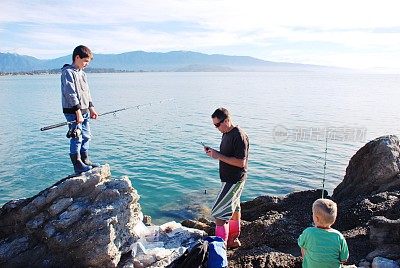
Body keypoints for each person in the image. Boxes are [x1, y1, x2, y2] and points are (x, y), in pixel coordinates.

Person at [204, 107, 249, 249]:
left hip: (234, 180)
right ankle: (233, 240)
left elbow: (241, 162)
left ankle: (220, 247)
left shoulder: (239, 136)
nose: (217, 128)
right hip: (229, 179)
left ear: (227, 120)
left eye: (218, 124)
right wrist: (215, 153)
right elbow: (226, 156)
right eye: (214, 125)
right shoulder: (226, 133)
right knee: (234, 209)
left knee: (219, 214)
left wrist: (218, 156)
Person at [61, 45, 99, 174]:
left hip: (84, 111)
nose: (87, 64)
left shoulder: (82, 74)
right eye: (85, 61)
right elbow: (70, 93)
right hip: (73, 112)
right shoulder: (67, 73)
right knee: (76, 137)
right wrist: (77, 112)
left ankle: (85, 159)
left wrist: (91, 108)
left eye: (88, 62)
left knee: (86, 136)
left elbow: (86, 93)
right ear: (77, 57)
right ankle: (77, 164)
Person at [298, 198, 349, 268]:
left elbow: (300, 242)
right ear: (334, 220)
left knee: (303, 245)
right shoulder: (339, 236)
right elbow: (344, 259)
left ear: (316, 218)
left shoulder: (308, 232)